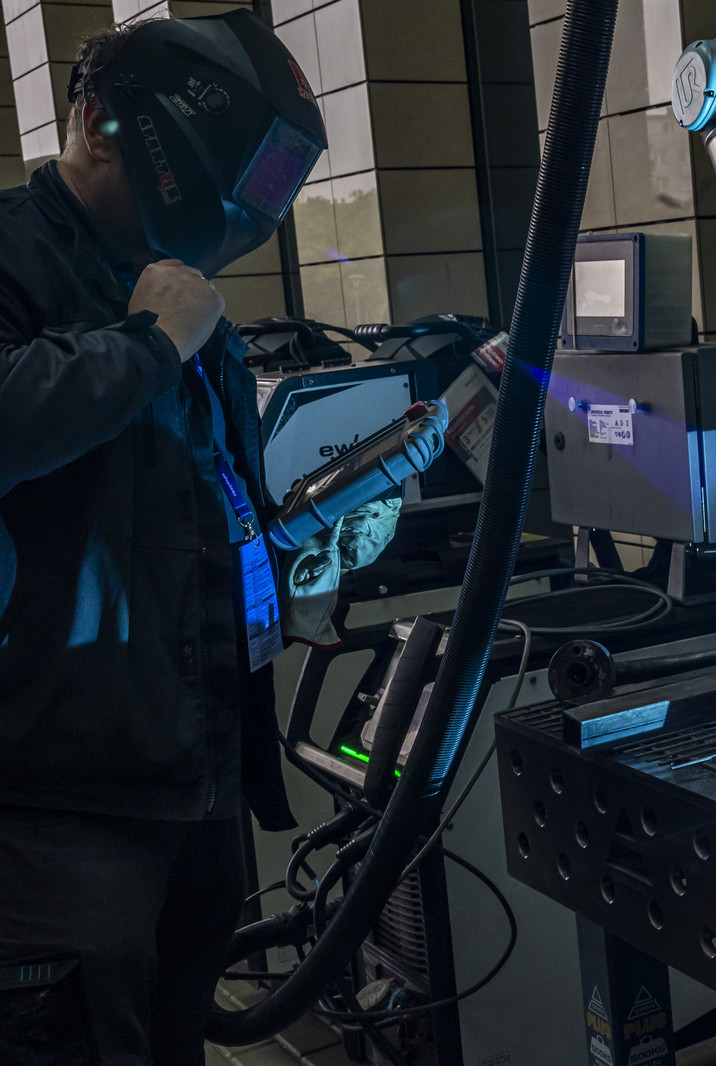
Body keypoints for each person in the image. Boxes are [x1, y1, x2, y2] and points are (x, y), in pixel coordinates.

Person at [0, 13, 331, 1065]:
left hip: (192, 777)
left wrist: (287, 562)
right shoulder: (16, 257)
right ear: (99, 124)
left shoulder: (176, 288)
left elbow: (204, 489)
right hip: (52, 807)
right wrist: (148, 344)